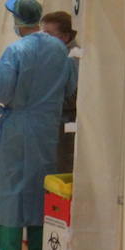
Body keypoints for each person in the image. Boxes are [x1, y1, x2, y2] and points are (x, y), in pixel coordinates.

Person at [0, 0, 76, 250]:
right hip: (47, 127)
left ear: (17, 20)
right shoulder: (60, 49)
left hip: (17, 125)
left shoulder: (16, 50)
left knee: (11, 190)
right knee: (39, 188)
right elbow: (70, 87)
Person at [41, 10, 80, 173]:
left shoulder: (72, 59)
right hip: (54, 120)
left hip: (64, 123)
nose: (43, 37)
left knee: (60, 169)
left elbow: (73, 98)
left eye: (48, 34)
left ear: (64, 37)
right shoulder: (56, 53)